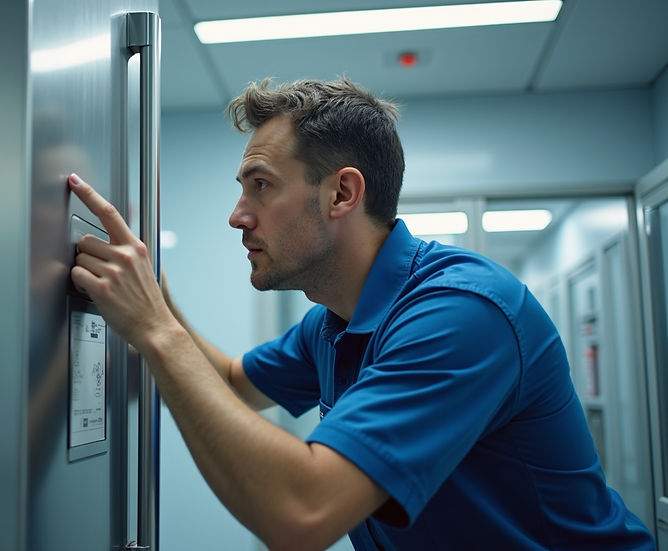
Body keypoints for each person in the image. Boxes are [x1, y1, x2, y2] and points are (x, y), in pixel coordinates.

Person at [67, 77, 655, 551]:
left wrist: (156, 331)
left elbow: (302, 515)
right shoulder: (332, 323)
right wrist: (158, 297)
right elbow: (228, 384)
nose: (237, 215)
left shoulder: (463, 314)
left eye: (261, 185)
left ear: (343, 194)